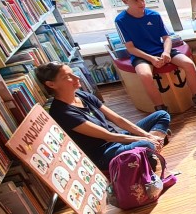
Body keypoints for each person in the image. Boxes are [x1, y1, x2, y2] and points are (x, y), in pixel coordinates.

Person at [36, 62, 174, 171]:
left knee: (161, 115)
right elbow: (108, 136)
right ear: (51, 84)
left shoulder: (83, 95)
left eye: (73, 73)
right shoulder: (62, 113)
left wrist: (147, 135)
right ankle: (153, 145)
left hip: (118, 139)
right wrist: (147, 138)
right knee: (146, 144)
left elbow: (118, 120)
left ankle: (151, 149)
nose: (77, 78)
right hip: (104, 152)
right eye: (67, 77)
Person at [112, 0, 196, 112]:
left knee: (189, 64)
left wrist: (166, 52)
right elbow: (130, 48)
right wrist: (151, 58)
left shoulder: (154, 15)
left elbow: (166, 38)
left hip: (161, 50)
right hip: (141, 55)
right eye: (136, 1)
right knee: (145, 75)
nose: (141, 3)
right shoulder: (120, 20)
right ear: (125, 1)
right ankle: (161, 109)